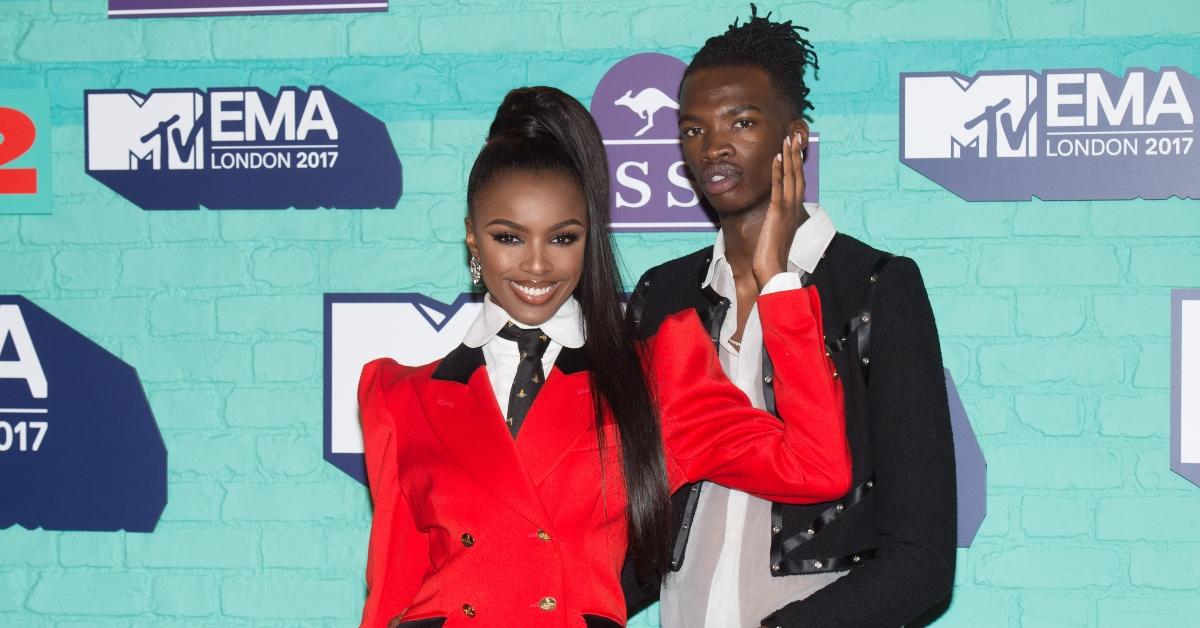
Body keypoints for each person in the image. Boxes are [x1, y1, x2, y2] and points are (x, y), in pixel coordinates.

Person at [357, 86, 850, 627]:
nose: (537, 266)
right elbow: (391, 596)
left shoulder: (657, 377)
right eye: (509, 237)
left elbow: (816, 466)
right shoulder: (400, 396)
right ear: (473, 239)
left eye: (562, 238)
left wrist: (777, 281)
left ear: (588, 238)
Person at [623, 7, 957, 627]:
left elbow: (922, 558)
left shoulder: (876, 289)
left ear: (794, 138)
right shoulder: (664, 293)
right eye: (693, 130)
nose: (714, 146)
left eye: (741, 122)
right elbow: (635, 508)